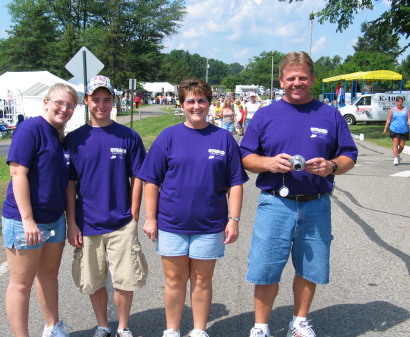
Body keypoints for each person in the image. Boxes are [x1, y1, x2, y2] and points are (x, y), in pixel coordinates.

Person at [240, 52, 358, 337]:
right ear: (281, 80)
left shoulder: (329, 114)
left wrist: (331, 166)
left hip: (316, 204)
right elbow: (245, 156)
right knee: (266, 267)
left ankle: (300, 321)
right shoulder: (266, 114)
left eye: (302, 77)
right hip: (275, 203)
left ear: (312, 79)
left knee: (309, 267)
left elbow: (349, 155)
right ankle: (261, 326)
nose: (297, 83)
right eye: (290, 78)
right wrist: (267, 163)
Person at [138, 77, 248, 337]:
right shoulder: (168, 137)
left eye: (201, 100)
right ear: (182, 104)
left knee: (202, 280)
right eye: (190, 101)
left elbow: (235, 184)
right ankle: (172, 330)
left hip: (210, 224)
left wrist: (234, 219)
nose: (196, 106)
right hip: (172, 224)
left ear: (210, 104)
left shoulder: (224, 139)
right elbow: (151, 181)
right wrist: (150, 218)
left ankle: (199, 330)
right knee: (174, 281)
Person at [64, 75, 148, 337]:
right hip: (87, 222)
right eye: (96, 99)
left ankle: (123, 326)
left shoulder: (128, 137)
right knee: (93, 279)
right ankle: (103, 325)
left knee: (125, 279)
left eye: (106, 99)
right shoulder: (74, 139)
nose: (101, 104)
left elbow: (139, 177)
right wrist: (72, 223)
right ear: (86, 101)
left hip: (121, 221)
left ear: (114, 101)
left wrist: (134, 212)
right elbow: (69, 184)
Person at [1, 83, 78, 337]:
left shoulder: (58, 136)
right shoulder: (30, 129)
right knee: (21, 284)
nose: (64, 109)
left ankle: (53, 327)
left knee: (48, 276)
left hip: (53, 220)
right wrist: (28, 220)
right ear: (46, 102)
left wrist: (68, 220)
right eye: (59, 103)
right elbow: (17, 173)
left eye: (70, 106)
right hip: (25, 220)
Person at [383, 96, 410, 165]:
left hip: (404, 129)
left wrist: (409, 123)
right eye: (398, 102)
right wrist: (385, 128)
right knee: (396, 144)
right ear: (396, 102)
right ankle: (395, 159)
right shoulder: (392, 110)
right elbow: (388, 119)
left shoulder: (406, 109)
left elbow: (409, 118)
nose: (400, 104)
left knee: (402, 146)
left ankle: (397, 154)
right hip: (394, 128)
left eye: (401, 102)